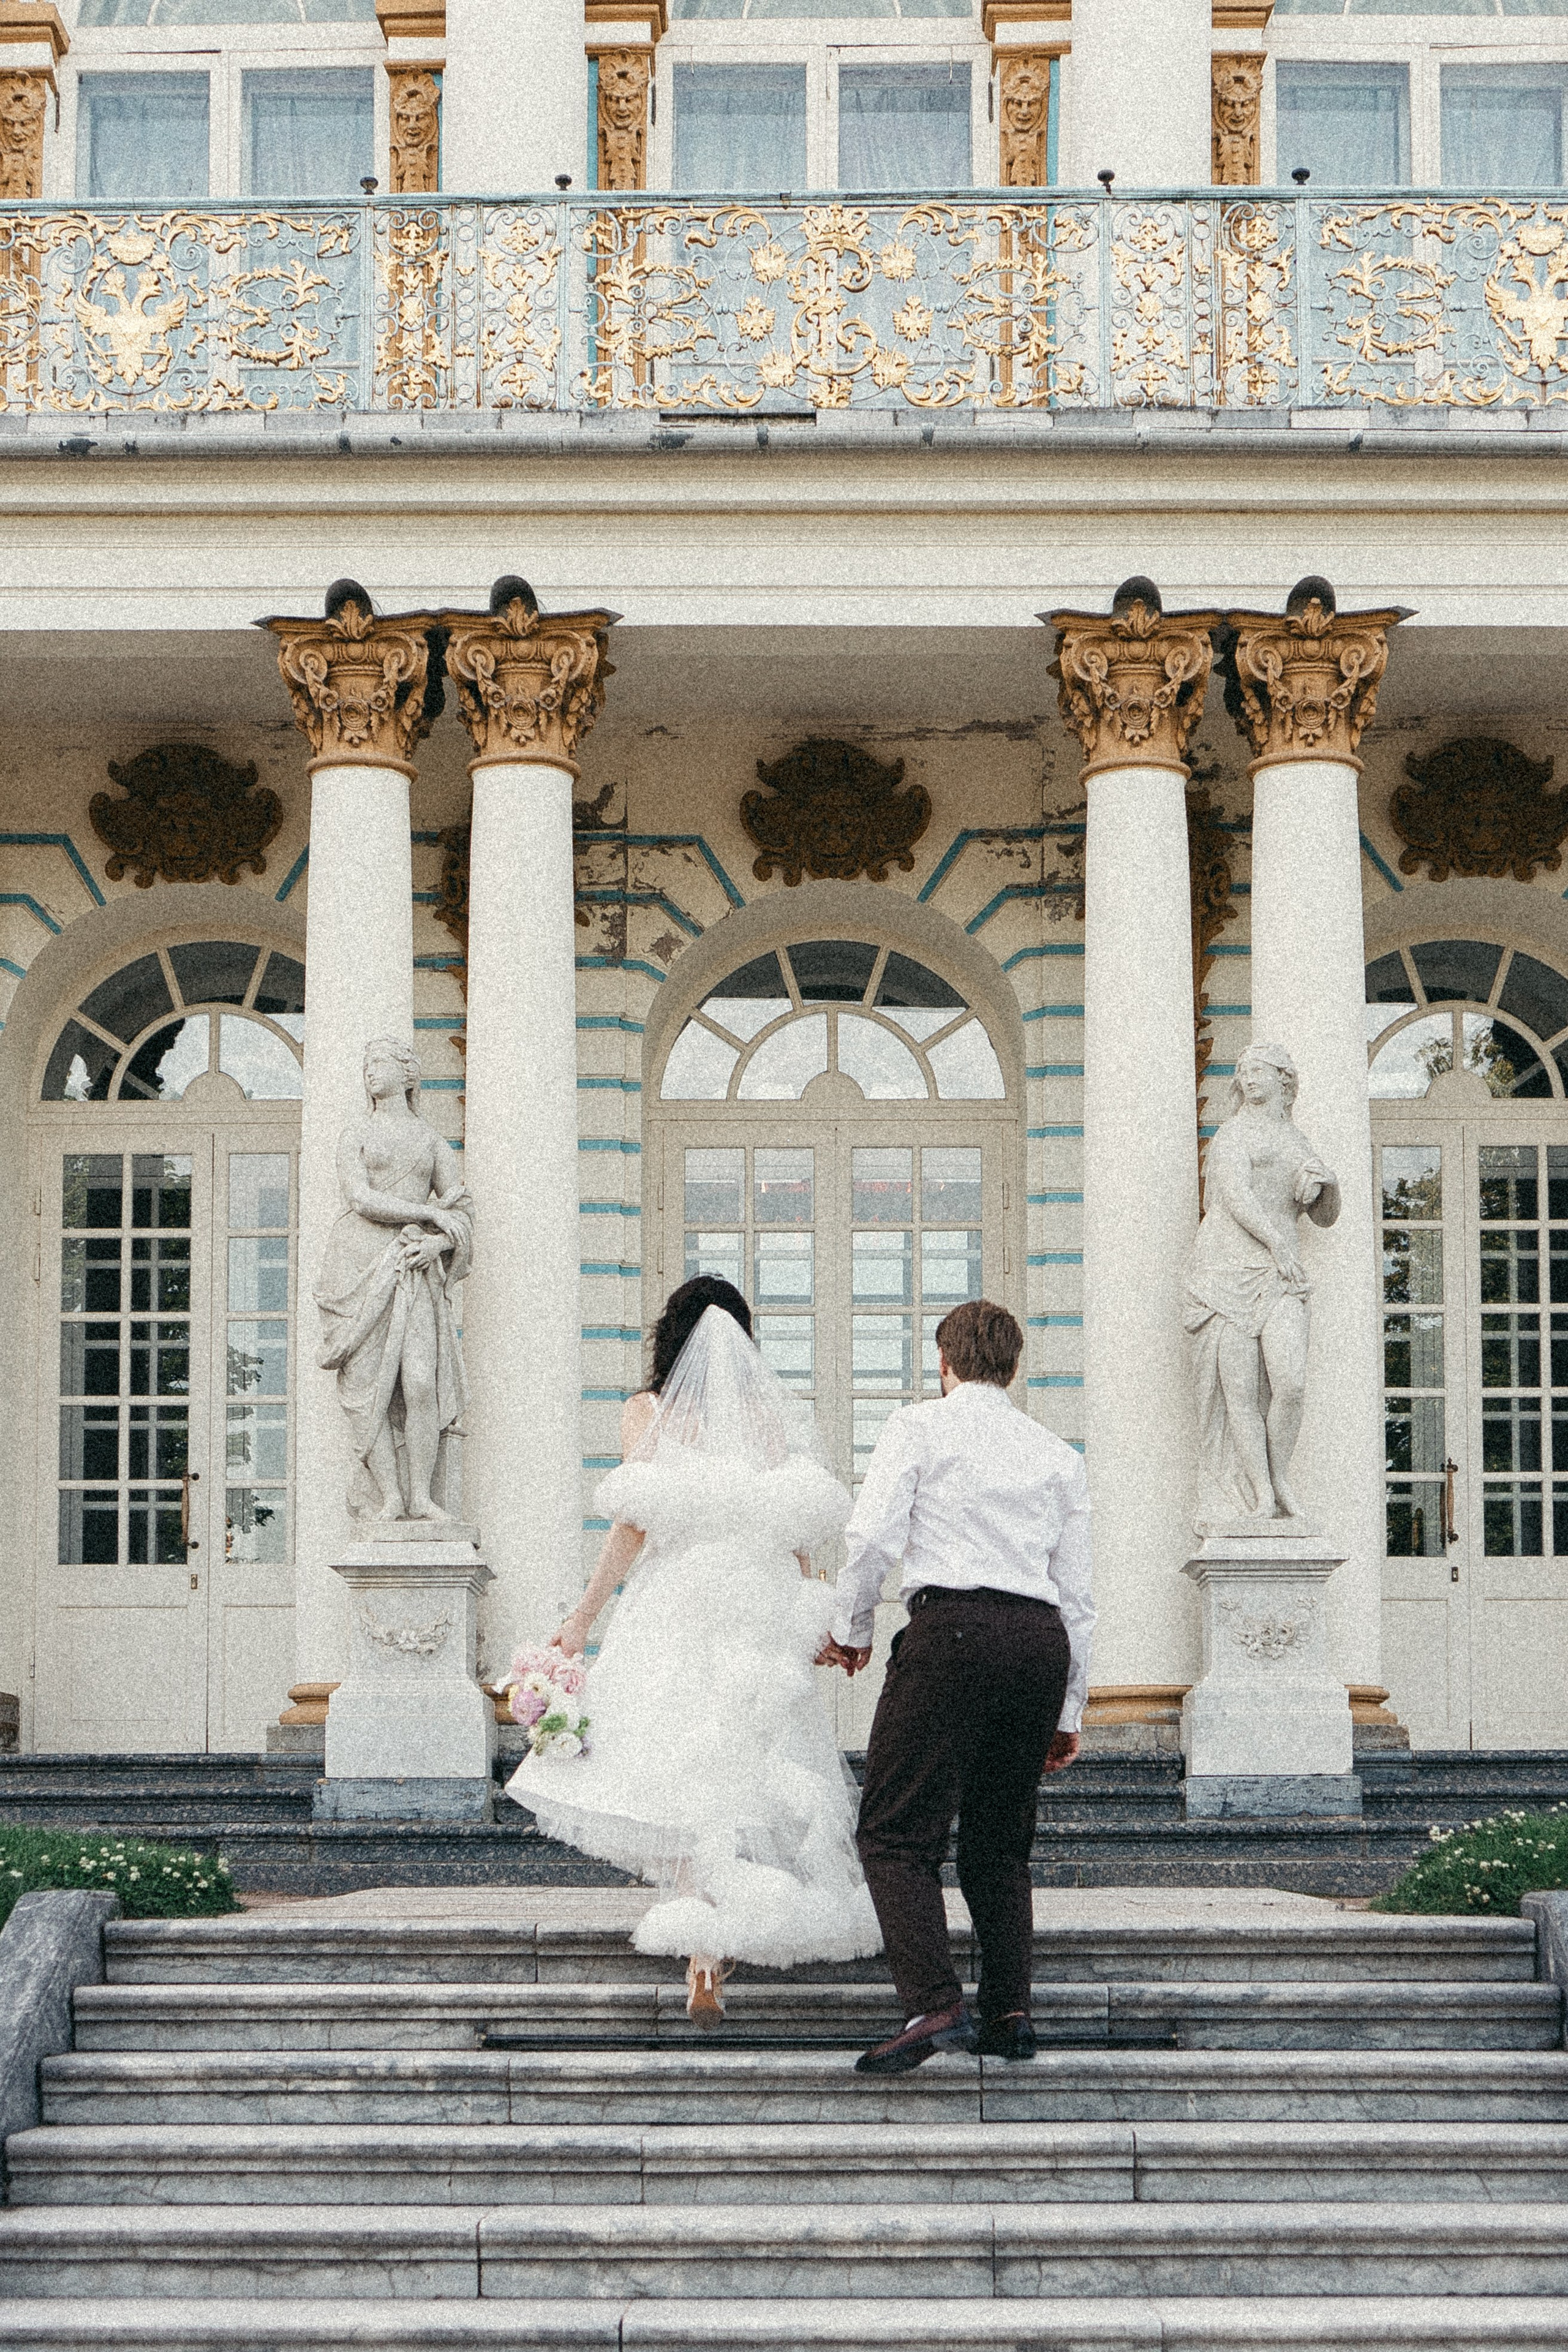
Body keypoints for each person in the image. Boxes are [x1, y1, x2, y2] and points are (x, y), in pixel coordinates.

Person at [505, 1275, 881, 2022]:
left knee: (675, 1760)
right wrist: (816, 1619)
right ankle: (731, 1920)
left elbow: (633, 1526)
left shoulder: (646, 1411)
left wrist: (581, 1619)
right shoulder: (768, 1418)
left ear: (668, 1338)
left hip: (676, 1599)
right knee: (746, 1759)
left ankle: (700, 1937)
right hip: (756, 1602)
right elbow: (794, 1532)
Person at [821, 1298, 1095, 2075]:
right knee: (999, 1842)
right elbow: (1077, 1596)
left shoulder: (918, 1427)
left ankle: (933, 2002)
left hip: (953, 1632)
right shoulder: (1057, 1454)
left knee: (894, 1833)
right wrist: (1069, 1709)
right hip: (1038, 1642)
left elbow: (871, 1536)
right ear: (1013, 1368)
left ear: (943, 1364)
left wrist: (852, 1630)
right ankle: (1009, 2011)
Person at [1182, 1039, 1340, 1528]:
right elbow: (1235, 1197)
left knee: (1290, 1383)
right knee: (1240, 1393)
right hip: (1227, 1268)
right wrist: (1277, 1245)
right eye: (1244, 1071)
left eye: (1258, 1070)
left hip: (1279, 1273)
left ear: (1283, 1079)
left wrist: (1330, 1184)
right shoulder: (1233, 1134)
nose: (1249, 1079)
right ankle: (1263, 1495)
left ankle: (1280, 1475)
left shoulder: (1297, 1141)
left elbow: (1324, 1217)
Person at [315, 1036, 472, 1523]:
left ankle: (421, 1495)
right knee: (368, 1391)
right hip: (356, 1263)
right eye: (367, 1063)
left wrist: (438, 1245)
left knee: (420, 1382)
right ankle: (391, 1497)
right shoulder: (356, 1134)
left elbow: (463, 1210)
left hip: (413, 1265)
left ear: (409, 1075)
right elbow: (360, 1198)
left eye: (380, 1062)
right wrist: (428, 1213)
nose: (370, 1071)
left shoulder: (431, 1141)